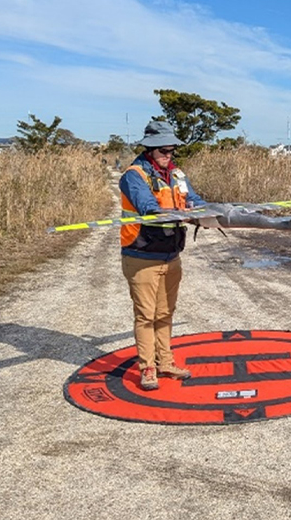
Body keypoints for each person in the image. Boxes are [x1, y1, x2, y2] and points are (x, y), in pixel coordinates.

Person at [119, 121, 206, 389]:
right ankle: (147, 368)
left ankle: (165, 362)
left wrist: (202, 209)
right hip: (141, 255)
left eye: (171, 151)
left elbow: (195, 199)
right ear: (150, 150)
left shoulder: (177, 174)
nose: (168, 156)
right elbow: (147, 206)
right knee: (146, 315)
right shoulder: (134, 176)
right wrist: (172, 213)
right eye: (163, 151)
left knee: (166, 312)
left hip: (171, 255)